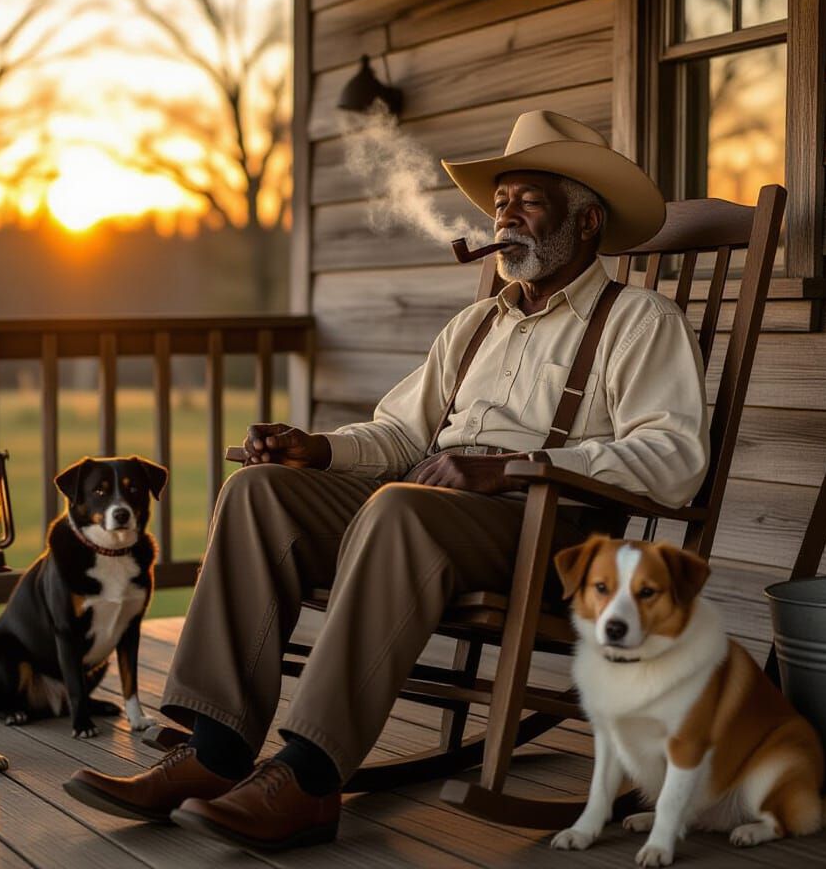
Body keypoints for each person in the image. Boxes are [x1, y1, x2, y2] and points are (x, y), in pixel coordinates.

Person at [64, 111, 710, 850]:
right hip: (429, 504)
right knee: (258, 492)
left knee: (401, 507)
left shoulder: (641, 322)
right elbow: (403, 434)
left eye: (528, 200)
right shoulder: (475, 328)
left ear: (587, 221)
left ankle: (308, 777)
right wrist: (318, 448)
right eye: (499, 203)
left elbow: (673, 456)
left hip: (547, 530)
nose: (504, 216)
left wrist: (511, 468)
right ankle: (215, 752)